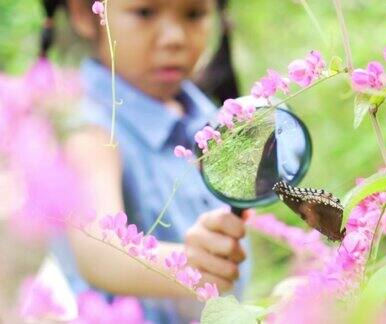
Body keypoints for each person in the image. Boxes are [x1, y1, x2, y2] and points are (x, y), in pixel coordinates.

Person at [40, 0, 249, 322]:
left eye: (194, 14)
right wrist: (188, 264)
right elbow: (97, 250)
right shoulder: (92, 133)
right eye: (145, 13)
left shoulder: (205, 115)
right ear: (84, 13)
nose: (174, 37)